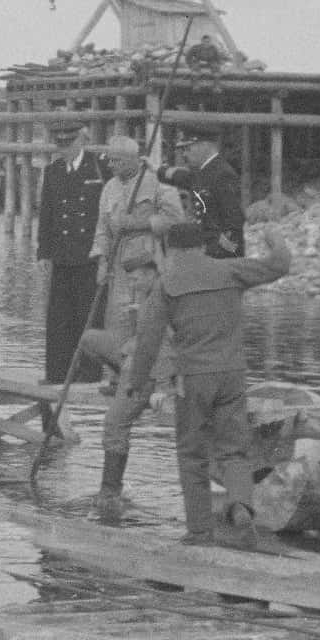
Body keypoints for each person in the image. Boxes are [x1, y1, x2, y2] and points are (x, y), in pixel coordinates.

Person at [122, 221, 291, 548]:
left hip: (193, 377)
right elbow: (280, 264)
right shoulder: (230, 269)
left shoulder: (166, 283)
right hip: (232, 373)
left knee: (192, 452)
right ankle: (240, 505)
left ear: (170, 250)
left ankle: (200, 531)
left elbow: (148, 338)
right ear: (201, 246)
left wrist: (137, 382)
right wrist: (273, 235)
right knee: (234, 448)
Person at [79, 250, 174, 520]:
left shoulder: (162, 299)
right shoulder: (149, 294)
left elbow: (167, 349)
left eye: (135, 280)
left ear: (150, 274)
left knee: (114, 423)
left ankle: (110, 492)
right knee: (89, 339)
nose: (132, 285)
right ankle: (118, 377)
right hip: (134, 357)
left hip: (148, 371)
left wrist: (161, 389)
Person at [36, 116, 108, 385]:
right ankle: (56, 375)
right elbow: (47, 214)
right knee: (58, 320)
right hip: (62, 256)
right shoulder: (53, 171)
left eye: (69, 142)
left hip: (90, 257)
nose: (64, 148)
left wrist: (105, 255)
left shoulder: (99, 168)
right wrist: (43, 252)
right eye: (60, 144)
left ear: (82, 139)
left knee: (88, 319)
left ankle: (89, 377)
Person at [91, 134, 183, 331]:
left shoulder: (158, 182)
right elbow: (102, 229)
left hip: (149, 263)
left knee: (149, 319)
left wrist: (139, 223)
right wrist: (101, 260)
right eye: (109, 160)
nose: (110, 165)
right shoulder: (109, 188)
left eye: (116, 160)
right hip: (118, 267)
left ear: (133, 160)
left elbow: (176, 220)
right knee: (118, 322)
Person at [159, 125, 246, 259]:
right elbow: (182, 177)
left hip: (220, 257)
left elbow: (234, 223)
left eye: (188, 149)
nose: (184, 154)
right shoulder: (205, 170)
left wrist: (213, 254)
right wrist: (157, 170)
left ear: (204, 146)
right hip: (206, 248)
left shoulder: (223, 174)